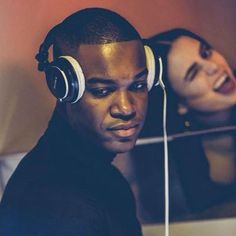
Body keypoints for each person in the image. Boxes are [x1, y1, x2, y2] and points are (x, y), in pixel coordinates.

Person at [0, 8, 158, 235]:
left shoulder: (102, 179)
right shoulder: (57, 207)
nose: (126, 108)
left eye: (138, 86)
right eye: (103, 91)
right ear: (63, 88)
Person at [131, 28, 236, 221]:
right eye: (193, 73)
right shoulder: (166, 159)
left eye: (206, 53)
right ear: (179, 105)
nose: (213, 67)